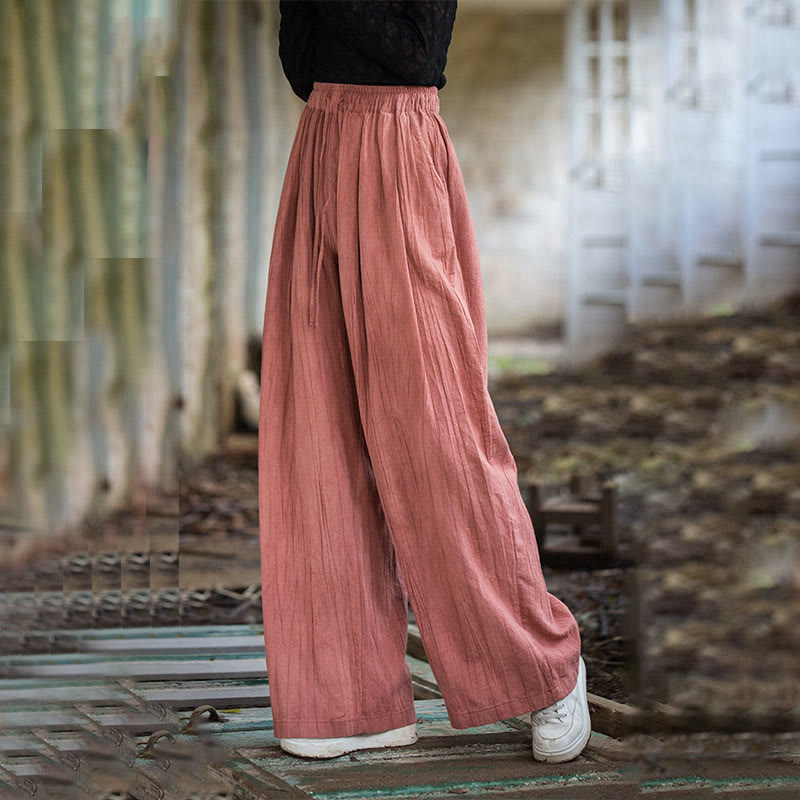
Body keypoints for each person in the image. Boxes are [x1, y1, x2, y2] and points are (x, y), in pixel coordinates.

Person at [258, 0, 592, 763]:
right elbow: (300, 68)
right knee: (317, 430)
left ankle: (546, 668)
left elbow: (413, 52)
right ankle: (347, 698)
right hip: (322, 148)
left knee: (438, 433)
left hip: (400, 151)